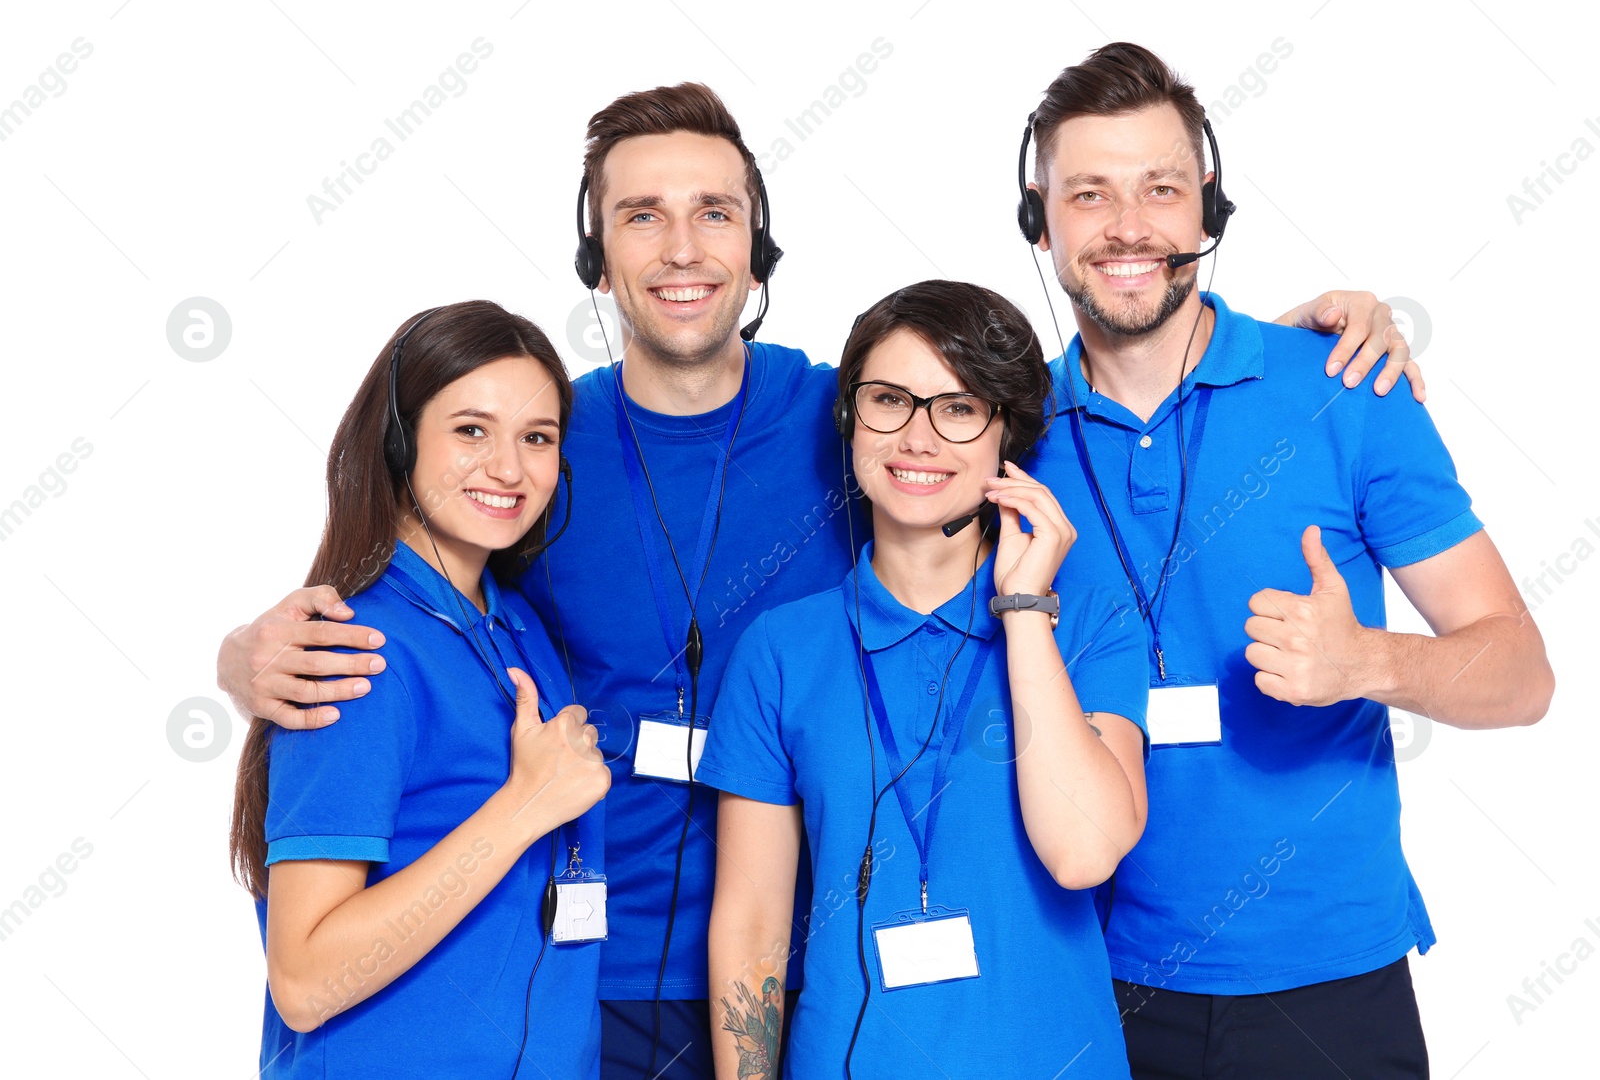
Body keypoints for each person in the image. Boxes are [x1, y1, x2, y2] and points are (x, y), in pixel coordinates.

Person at [216, 82, 1424, 1079]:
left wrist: (1287, 341)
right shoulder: (543, 439)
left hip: (821, 974)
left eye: (714, 213)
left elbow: (1049, 408)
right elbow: (428, 551)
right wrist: (247, 652)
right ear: (596, 251)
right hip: (580, 975)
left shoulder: (834, 419)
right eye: (641, 215)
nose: (681, 248)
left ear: (758, 247)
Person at [1019, 42, 1556, 1079]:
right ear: (1040, 221)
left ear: (1206, 211)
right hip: (1082, 980)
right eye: (1089, 193)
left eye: (1160, 188)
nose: (1128, 225)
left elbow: (1521, 673)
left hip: (1330, 988)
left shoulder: (1344, 385)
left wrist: (1369, 664)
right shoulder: (999, 431)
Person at [702, 280, 1147, 1079]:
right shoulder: (781, 651)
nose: (917, 436)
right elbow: (754, 923)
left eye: (959, 407)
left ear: (1005, 435)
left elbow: (1084, 852)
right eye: (889, 401)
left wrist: (1021, 610)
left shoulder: (1087, 621)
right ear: (849, 419)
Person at [228, 300, 610, 1078]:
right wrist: (523, 808)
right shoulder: (356, 654)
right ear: (400, 442)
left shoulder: (517, 627)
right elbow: (303, 981)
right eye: (471, 430)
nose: (508, 468)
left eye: (535, 438)